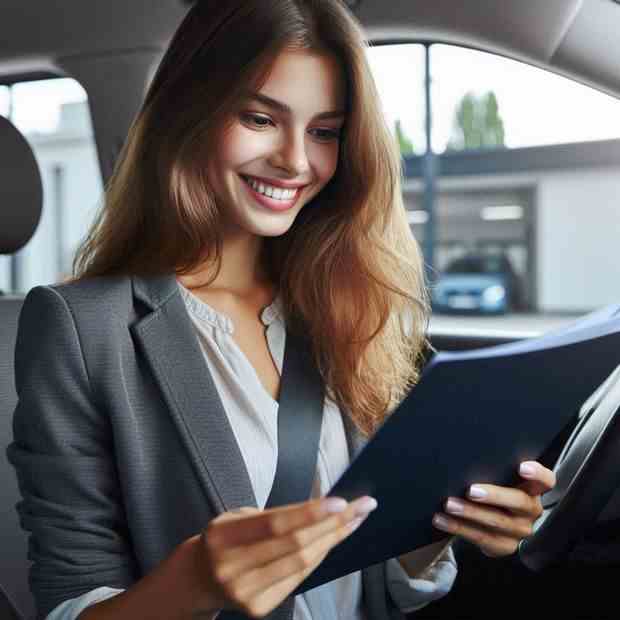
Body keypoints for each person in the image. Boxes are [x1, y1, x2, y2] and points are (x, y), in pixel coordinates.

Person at [7, 1, 555, 619]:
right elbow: (69, 597)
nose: (296, 160)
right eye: (261, 118)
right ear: (189, 114)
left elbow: (367, 586)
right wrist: (191, 582)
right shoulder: (82, 328)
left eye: (324, 131)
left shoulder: (348, 304)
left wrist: (439, 528)